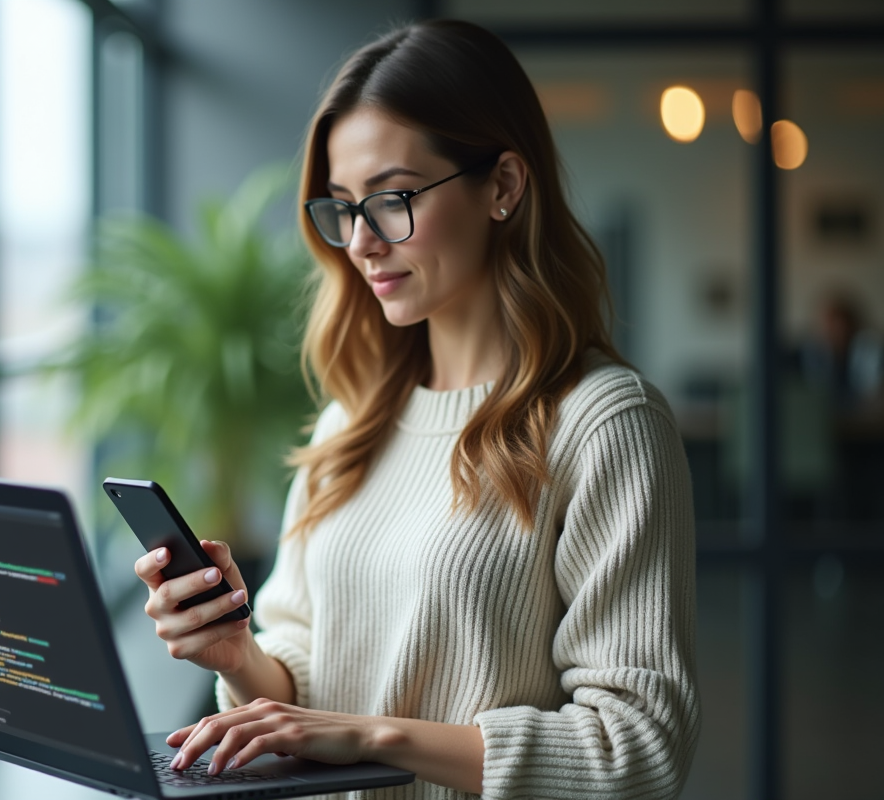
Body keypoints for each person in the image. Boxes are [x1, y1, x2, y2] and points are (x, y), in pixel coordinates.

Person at [134, 19, 699, 800]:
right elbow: (297, 676)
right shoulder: (352, 421)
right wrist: (237, 656)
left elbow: (639, 745)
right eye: (340, 207)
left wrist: (373, 737)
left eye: (392, 199)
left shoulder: (605, 425)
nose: (360, 242)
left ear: (502, 186)